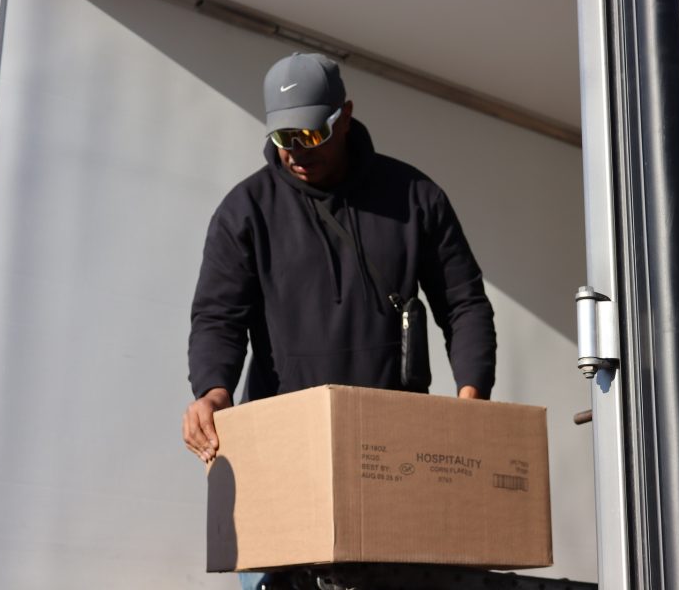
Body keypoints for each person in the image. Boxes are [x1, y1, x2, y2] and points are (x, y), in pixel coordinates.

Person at [182, 52, 497, 589]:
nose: (296, 153)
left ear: (344, 116)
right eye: (284, 140)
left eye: (310, 135)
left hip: (394, 451)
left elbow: (464, 303)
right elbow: (218, 316)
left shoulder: (414, 197)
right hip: (282, 448)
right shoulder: (246, 210)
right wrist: (212, 390)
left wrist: (471, 400)